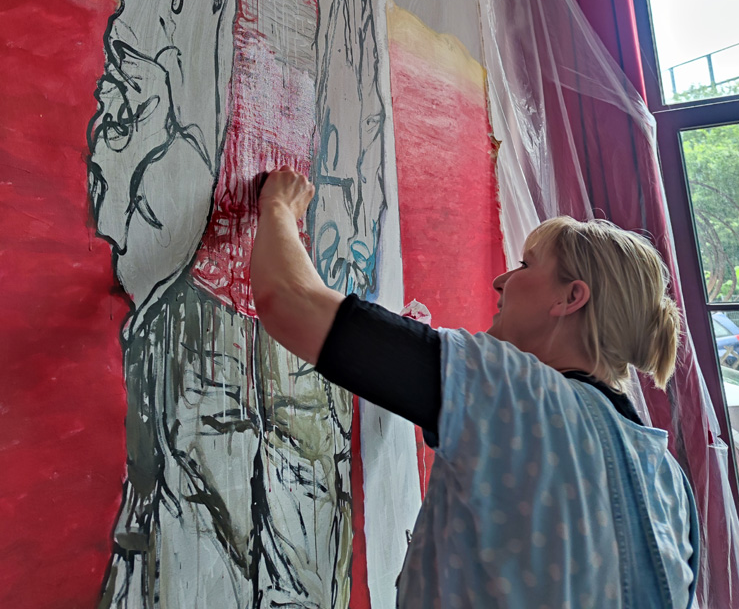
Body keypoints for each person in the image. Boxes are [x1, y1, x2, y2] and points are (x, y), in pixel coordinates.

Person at [88, 0, 385, 608]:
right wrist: (138, 213)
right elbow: (134, 57)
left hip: (303, 308)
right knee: (187, 552)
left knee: (305, 543)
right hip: (198, 296)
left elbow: (366, 144)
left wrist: (346, 275)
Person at [251, 166, 700, 609]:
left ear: (570, 298)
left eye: (525, 265)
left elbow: (289, 301)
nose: (501, 280)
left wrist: (279, 207)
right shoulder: (669, 482)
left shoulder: (509, 387)